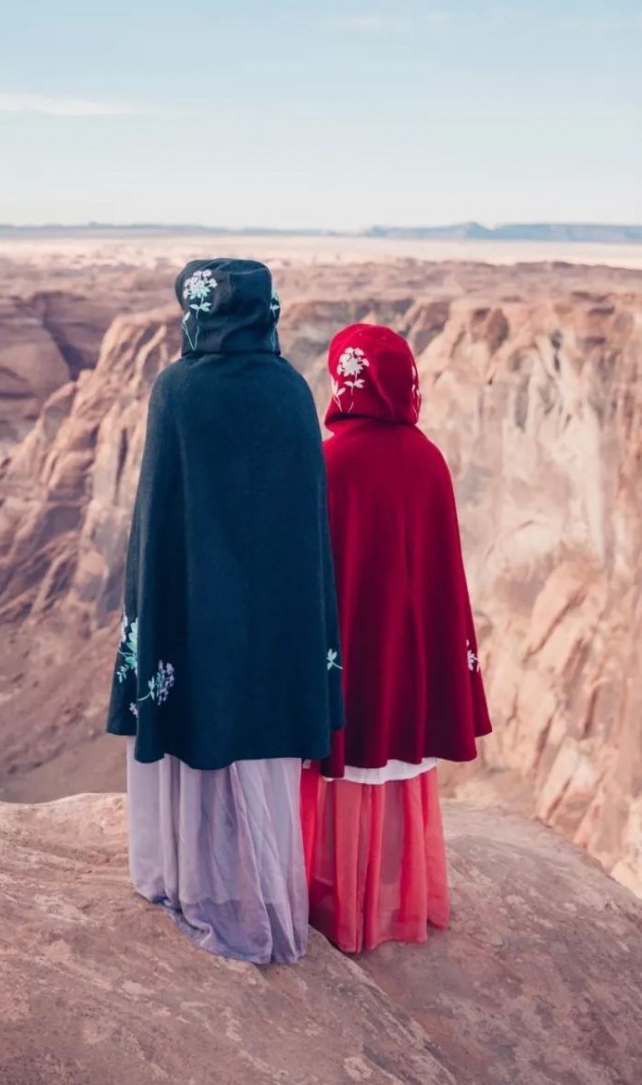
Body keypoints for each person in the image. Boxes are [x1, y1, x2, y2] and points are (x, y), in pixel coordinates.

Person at [107, 259, 343, 965]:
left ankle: (187, 878)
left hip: (192, 606)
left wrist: (156, 607)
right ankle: (261, 892)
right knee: (260, 755)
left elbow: (157, 523)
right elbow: (306, 529)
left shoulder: (177, 390)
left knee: (195, 739)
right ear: (265, 311)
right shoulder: (292, 392)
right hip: (274, 612)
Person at [300, 323, 492, 954]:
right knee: (393, 770)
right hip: (408, 655)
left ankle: (335, 904)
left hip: (350, 649)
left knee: (344, 769)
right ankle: (394, 900)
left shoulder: (329, 463)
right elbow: (442, 577)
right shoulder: (429, 458)